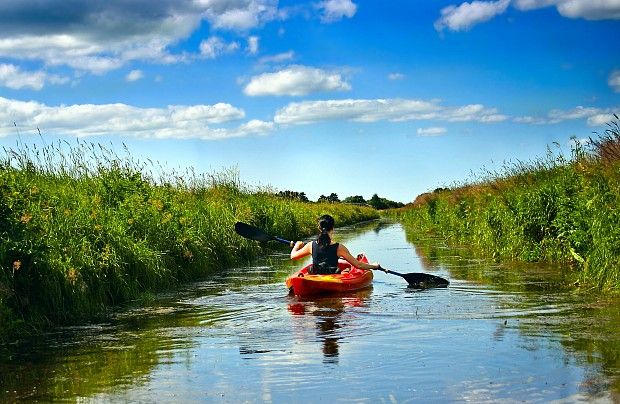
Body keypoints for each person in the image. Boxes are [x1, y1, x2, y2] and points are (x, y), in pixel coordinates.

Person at [290, 214, 380, 274]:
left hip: (316, 274)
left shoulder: (310, 245)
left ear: (319, 228)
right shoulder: (339, 247)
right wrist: (374, 266)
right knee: (347, 269)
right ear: (333, 228)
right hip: (332, 276)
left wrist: (297, 246)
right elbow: (358, 265)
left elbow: (293, 256)